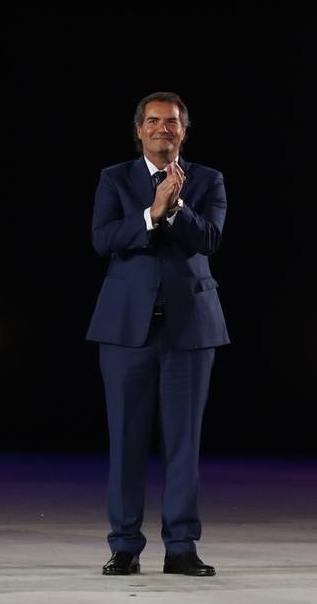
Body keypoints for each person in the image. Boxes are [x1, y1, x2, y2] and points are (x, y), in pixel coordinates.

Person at [87, 92, 228, 577]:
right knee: (125, 439)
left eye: (171, 122)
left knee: (183, 442)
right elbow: (102, 239)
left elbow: (209, 239)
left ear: (183, 131)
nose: (162, 128)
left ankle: (182, 546)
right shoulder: (114, 179)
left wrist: (174, 208)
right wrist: (150, 213)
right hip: (126, 330)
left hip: (189, 329)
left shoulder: (208, 180)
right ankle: (124, 545)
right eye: (153, 121)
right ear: (139, 130)